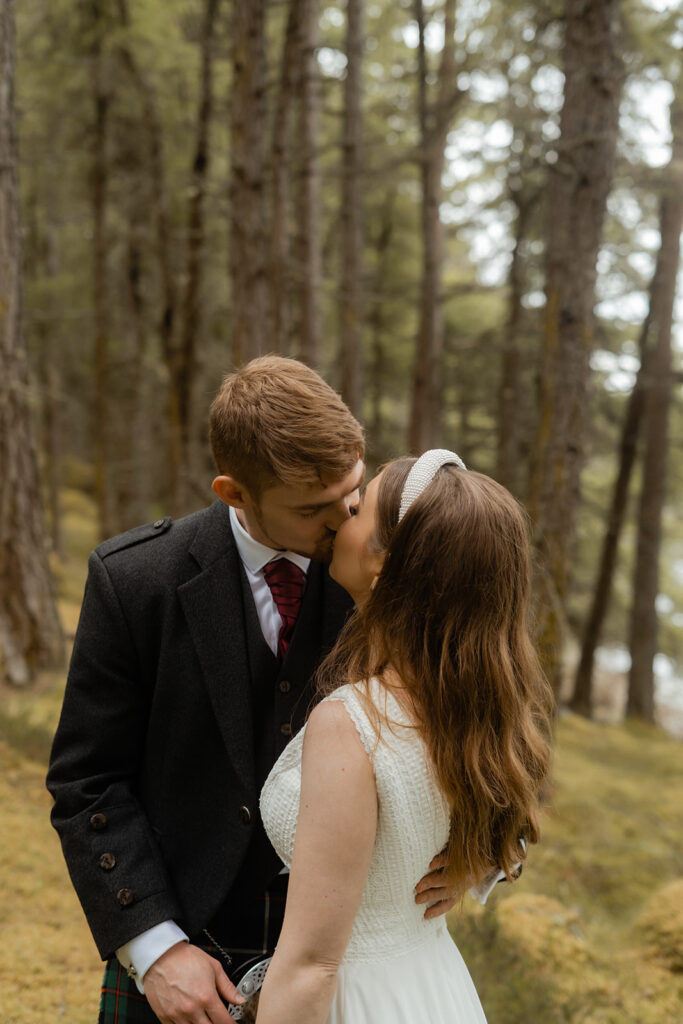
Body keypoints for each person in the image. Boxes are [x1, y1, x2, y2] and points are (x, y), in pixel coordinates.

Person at [47, 358, 460, 1024]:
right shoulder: (137, 582)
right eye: (311, 508)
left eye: (350, 491)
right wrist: (153, 948)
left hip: (350, 966)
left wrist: (486, 850)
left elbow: (481, 714)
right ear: (233, 491)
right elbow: (87, 782)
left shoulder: (389, 575)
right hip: (186, 950)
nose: (344, 519)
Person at [255, 450, 554, 1024]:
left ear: (387, 564)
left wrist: (487, 859)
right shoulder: (469, 702)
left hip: (359, 999)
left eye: (359, 507)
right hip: (432, 989)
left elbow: (313, 964)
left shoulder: (353, 724)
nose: (342, 513)